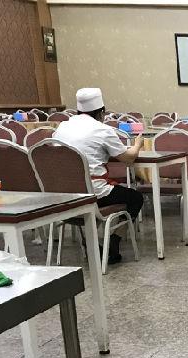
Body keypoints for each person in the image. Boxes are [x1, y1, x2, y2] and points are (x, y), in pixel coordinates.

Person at [53, 87, 145, 265]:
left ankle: (92, 242)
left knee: (100, 195)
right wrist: (138, 144)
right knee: (135, 198)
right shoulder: (102, 130)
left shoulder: (62, 127)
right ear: (102, 112)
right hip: (93, 194)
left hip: (65, 196)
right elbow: (128, 159)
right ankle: (113, 243)